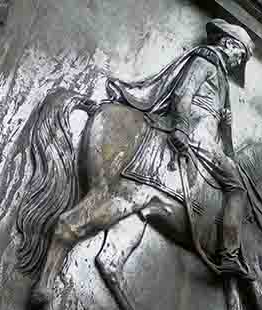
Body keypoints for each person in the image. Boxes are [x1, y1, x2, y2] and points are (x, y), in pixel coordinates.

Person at [108, 19, 254, 276]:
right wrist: (182, 127)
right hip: (199, 134)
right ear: (228, 44)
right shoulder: (207, 61)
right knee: (237, 188)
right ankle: (229, 254)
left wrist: (224, 123)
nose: (237, 62)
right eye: (239, 55)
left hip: (206, 132)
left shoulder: (219, 73)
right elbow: (182, 95)